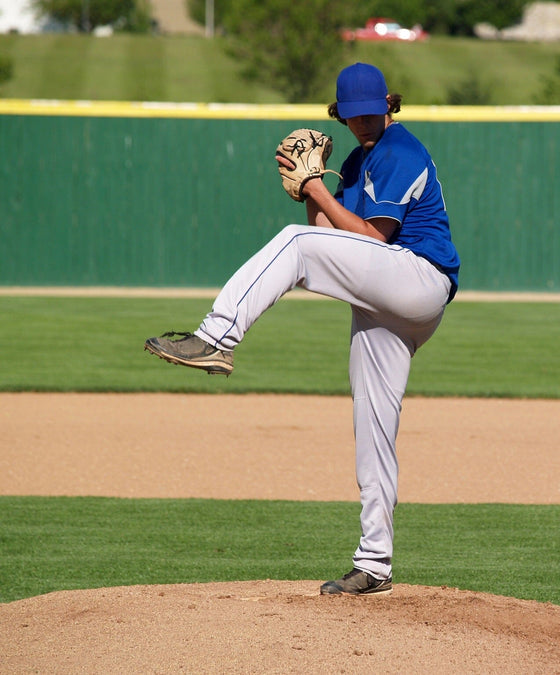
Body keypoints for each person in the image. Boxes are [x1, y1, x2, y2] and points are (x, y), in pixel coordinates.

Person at [144, 62, 460, 596]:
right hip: (385, 292)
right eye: (352, 116)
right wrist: (307, 192)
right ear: (341, 114)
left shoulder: (402, 151)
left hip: (417, 277)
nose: (361, 123)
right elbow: (332, 235)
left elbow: (374, 240)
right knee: (374, 425)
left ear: (389, 104)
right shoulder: (361, 160)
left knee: (293, 243)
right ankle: (374, 564)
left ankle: (218, 336)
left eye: (370, 112)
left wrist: (317, 186)